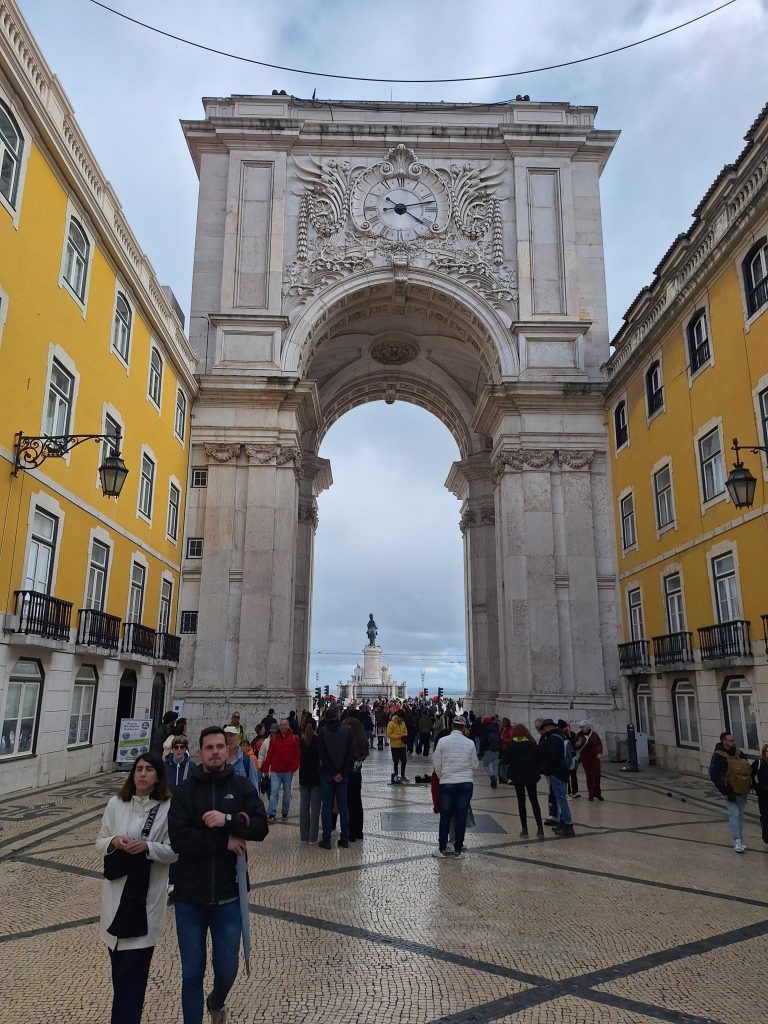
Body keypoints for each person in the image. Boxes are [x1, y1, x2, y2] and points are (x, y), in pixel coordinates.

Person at [168, 726, 269, 1024]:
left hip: (228, 896)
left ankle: (217, 1000)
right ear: (200, 752)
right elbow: (179, 839)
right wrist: (224, 841)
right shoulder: (184, 791)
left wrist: (228, 820)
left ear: (227, 750)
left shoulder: (241, 786)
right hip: (190, 897)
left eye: (219, 747)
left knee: (227, 968)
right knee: (191, 972)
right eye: (209, 747)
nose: (214, 752)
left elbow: (260, 827)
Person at [96, 752, 176, 1024]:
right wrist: (115, 841)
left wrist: (148, 847)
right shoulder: (116, 803)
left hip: (145, 904)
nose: (142, 773)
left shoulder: (168, 808)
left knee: (132, 980)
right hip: (116, 902)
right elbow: (99, 841)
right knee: (121, 978)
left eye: (148, 769)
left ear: (158, 775)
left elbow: (175, 851)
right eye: (138, 768)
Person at [431, 715, 476, 859]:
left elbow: (436, 763)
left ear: (452, 726)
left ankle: (442, 849)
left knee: (445, 816)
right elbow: (475, 764)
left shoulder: (443, 741)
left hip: (448, 783)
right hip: (465, 784)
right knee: (461, 817)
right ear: (463, 728)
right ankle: (458, 851)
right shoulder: (470, 743)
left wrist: (442, 777)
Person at [316, 705, 354, 849]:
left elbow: (322, 754)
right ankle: (344, 839)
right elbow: (350, 754)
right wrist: (341, 773)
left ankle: (326, 839)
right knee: (343, 806)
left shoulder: (322, 731)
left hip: (327, 774)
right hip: (342, 776)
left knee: (326, 806)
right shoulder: (347, 730)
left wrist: (332, 772)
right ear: (338, 716)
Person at [709, 731, 753, 852]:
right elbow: (714, 775)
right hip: (729, 790)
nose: (733, 742)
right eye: (731, 740)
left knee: (740, 815)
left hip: (742, 789)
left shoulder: (739, 753)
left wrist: (748, 785)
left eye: (733, 740)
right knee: (734, 814)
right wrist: (723, 791)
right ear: (724, 741)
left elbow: (747, 769)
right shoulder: (718, 756)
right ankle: (736, 840)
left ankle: (739, 839)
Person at [502, 724, 544, 837]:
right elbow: (538, 759)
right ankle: (540, 828)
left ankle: (524, 829)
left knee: (521, 802)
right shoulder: (532, 744)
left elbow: (505, 761)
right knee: (534, 801)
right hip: (531, 775)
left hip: (518, 776)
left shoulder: (511, 745)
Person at [537, 719, 575, 838]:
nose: (543, 730)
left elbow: (552, 758)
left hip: (556, 772)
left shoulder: (553, 739)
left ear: (548, 727)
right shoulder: (561, 736)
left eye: (544, 728)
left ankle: (568, 825)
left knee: (561, 799)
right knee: (560, 799)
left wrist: (545, 769)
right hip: (563, 771)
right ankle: (563, 823)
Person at [262, 717, 301, 821]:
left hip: (288, 771)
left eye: (285, 724)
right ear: (279, 726)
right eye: (282, 725)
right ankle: (272, 814)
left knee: (287, 793)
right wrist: (265, 769)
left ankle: (285, 813)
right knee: (274, 792)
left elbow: (297, 755)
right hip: (275, 771)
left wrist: (293, 768)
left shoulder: (294, 738)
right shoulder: (274, 739)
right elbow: (269, 755)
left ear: (288, 726)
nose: (283, 726)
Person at [344, 714, 369, 841]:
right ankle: (359, 831)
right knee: (357, 803)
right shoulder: (363, 741)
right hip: (358, 775)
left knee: (349, 804)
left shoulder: (351, 742)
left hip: (349, 776)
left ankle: (351, 833)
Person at [298, 719, 321, 844]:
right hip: (316, 777)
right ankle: (313, 837)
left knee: (304, 808)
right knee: (315, 809)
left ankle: (304, 836)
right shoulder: (318, 741)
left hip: (303, 776)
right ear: (315, 727)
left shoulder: (301, 741)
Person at [575, 720, 604, 801]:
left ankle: (597, 793)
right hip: (585, 758)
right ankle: (591, 793)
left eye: (583, 727)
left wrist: (600, 752)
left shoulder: (594, 734)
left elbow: (599, 744)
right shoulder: (578, 735)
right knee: (589, 776)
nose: (582, 729)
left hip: (595, 757)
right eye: (580, 727)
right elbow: (576, 747)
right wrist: (577, 744)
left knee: (597, 775)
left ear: (587, 727)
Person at [752, 743, 768, 844]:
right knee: (765, 816)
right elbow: (750, 776)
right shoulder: (758, 763)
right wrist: (757, 787)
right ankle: (766, 836)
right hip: (764, 794)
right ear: (764, 752)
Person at [387, 710, 409, 782]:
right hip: (394, 746)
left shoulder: (403, 723)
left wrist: (404, 735)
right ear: (398, 717)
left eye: (403, 719)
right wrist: (399, 736)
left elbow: (405, 731)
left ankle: (403, 775)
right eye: (401, 718)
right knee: (396, 761)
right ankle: (396, 776)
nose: (402, 720)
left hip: (402, 746)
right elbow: (389, 734)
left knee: (404, 761)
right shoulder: (391, 723)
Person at [480, 715, 501, 789]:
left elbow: (483, 741)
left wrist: (480, 752)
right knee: (495, 765)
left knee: (485, 765)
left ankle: (492, 777)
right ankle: (495, 779)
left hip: (488, 749)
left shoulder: (485, 729)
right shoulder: (496, 728)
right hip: (496, 749)